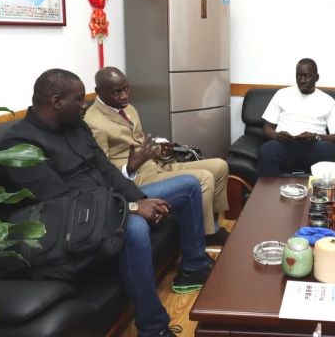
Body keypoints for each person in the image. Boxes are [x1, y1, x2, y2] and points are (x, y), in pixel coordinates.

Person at [0, 69, 213, 337]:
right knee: (135, 228)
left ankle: (194, 269)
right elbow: (64, 204)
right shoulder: (18, 145)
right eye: (79, 99)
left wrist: (140, 199)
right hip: (75, 228)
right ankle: (153, 328)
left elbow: (106, 169)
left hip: (112, 202)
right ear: (56, 102)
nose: (85, 104)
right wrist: (132, 209)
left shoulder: (76, 126)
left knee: (188, 185)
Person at [85, 67, 229, 246]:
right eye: (116, 92)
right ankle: (206, 234)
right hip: (136, 178)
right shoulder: (93, 122)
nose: (124, 96)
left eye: (126, 89)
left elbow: (139, 142)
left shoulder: (128, 108)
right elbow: (102, 171)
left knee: (220, 166)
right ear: (98, 91)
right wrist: (129, 168)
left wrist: (160, 149)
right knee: (204, 178)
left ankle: (211, 223)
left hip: (155, 164)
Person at [257, 58, 335, 176]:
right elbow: (267, 128)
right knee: (266, 150)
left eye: (307, 76)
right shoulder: (281, 94)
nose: (302, 80)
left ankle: (323, 188)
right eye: (299, 76)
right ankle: (270, 188)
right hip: (285, 145)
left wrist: (316, 137)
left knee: (330, 150)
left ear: (316, 77)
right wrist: (276, 136)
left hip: (314, 147)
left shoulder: (328, 101)